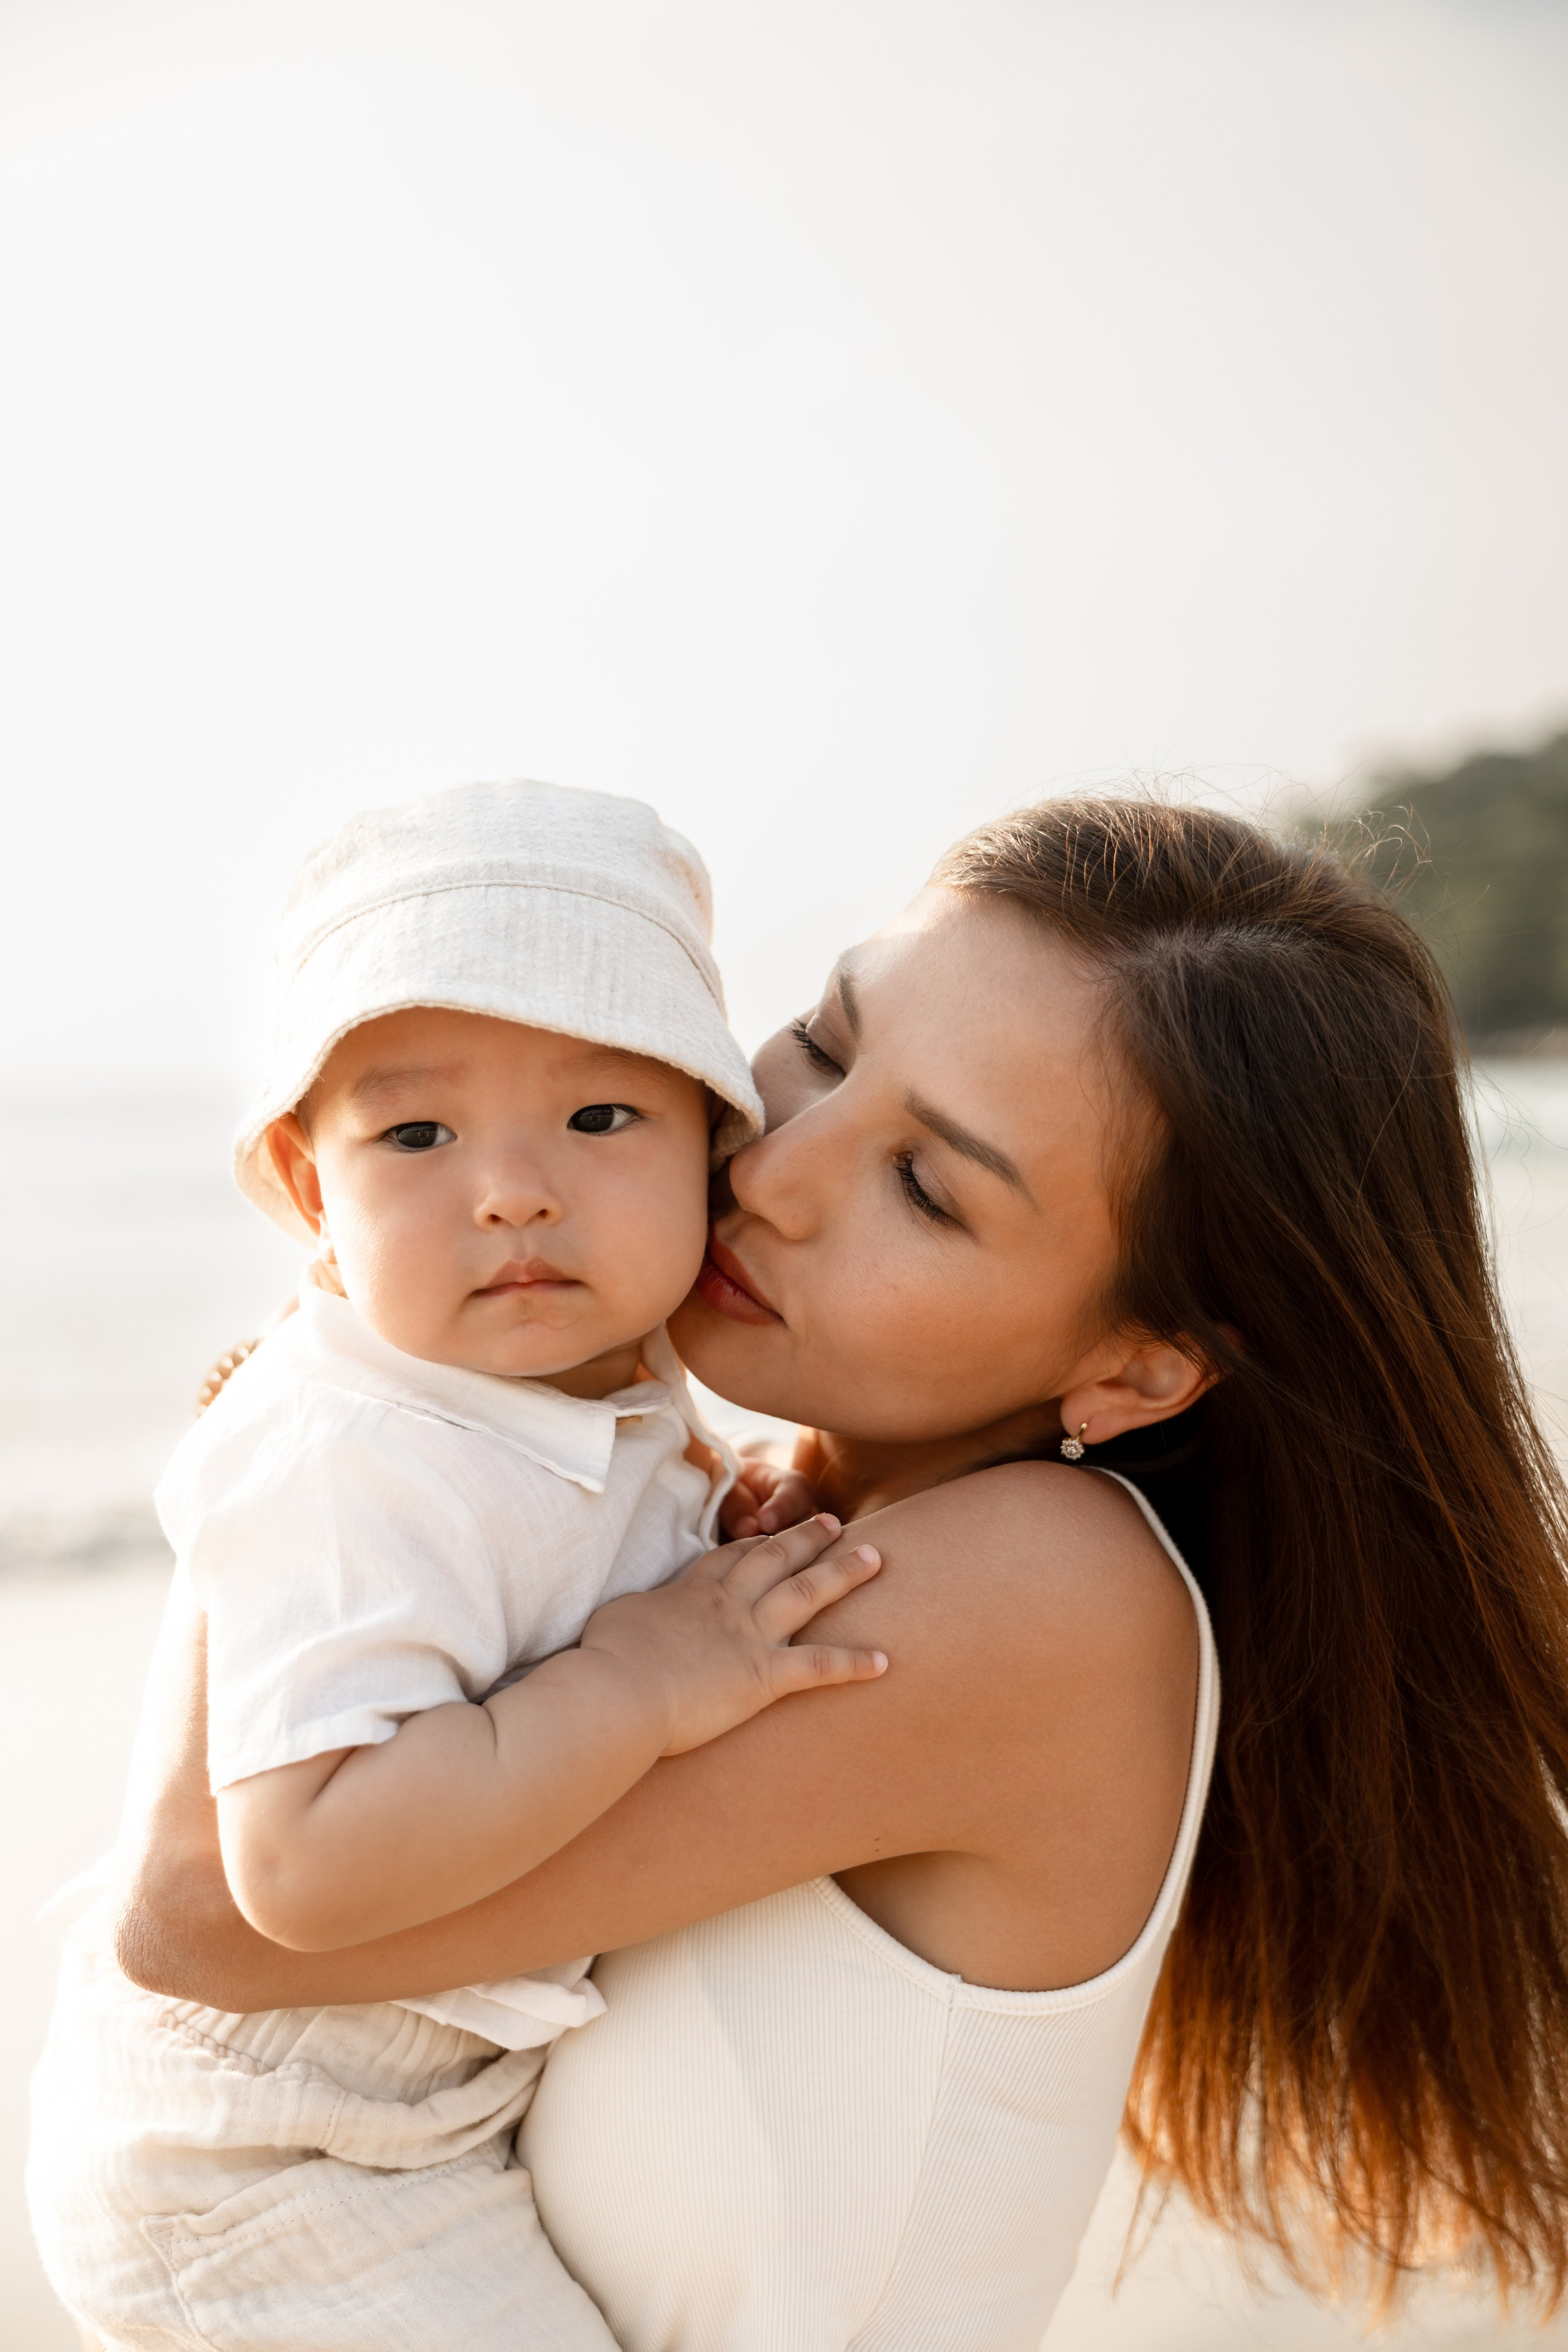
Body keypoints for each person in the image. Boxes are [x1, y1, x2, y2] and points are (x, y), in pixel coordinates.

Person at [100, 797, 1568, 2346]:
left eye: (925, 1187)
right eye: (821, 1039)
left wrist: (332, 1404)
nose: (778, 1166)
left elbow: (207, 1927)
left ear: (1138, 1372)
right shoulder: (729, 1526)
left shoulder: (1036, 1596)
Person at [27, 778, 887, 2352]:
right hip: (264, 2155)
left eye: (599, 1116)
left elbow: (571, 1532)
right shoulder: (353, 1461)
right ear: (309, 1193)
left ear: (712, 1144)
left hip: (415, 2099)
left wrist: (722, 1522)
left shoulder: (588, 1377)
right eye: (415, 1133)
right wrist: (640, 1678)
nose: (511, 1189)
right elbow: (299, 1869)